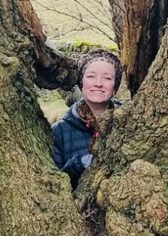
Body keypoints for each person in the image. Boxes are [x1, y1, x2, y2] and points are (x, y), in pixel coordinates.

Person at [52, 48, 123, 184]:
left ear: (115, 87)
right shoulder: (59, 131)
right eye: (91, 76)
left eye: (107, 78)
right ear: (82, 83)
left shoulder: (129, 123)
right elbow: (54, 185)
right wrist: (77, 165)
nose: (98, 83)